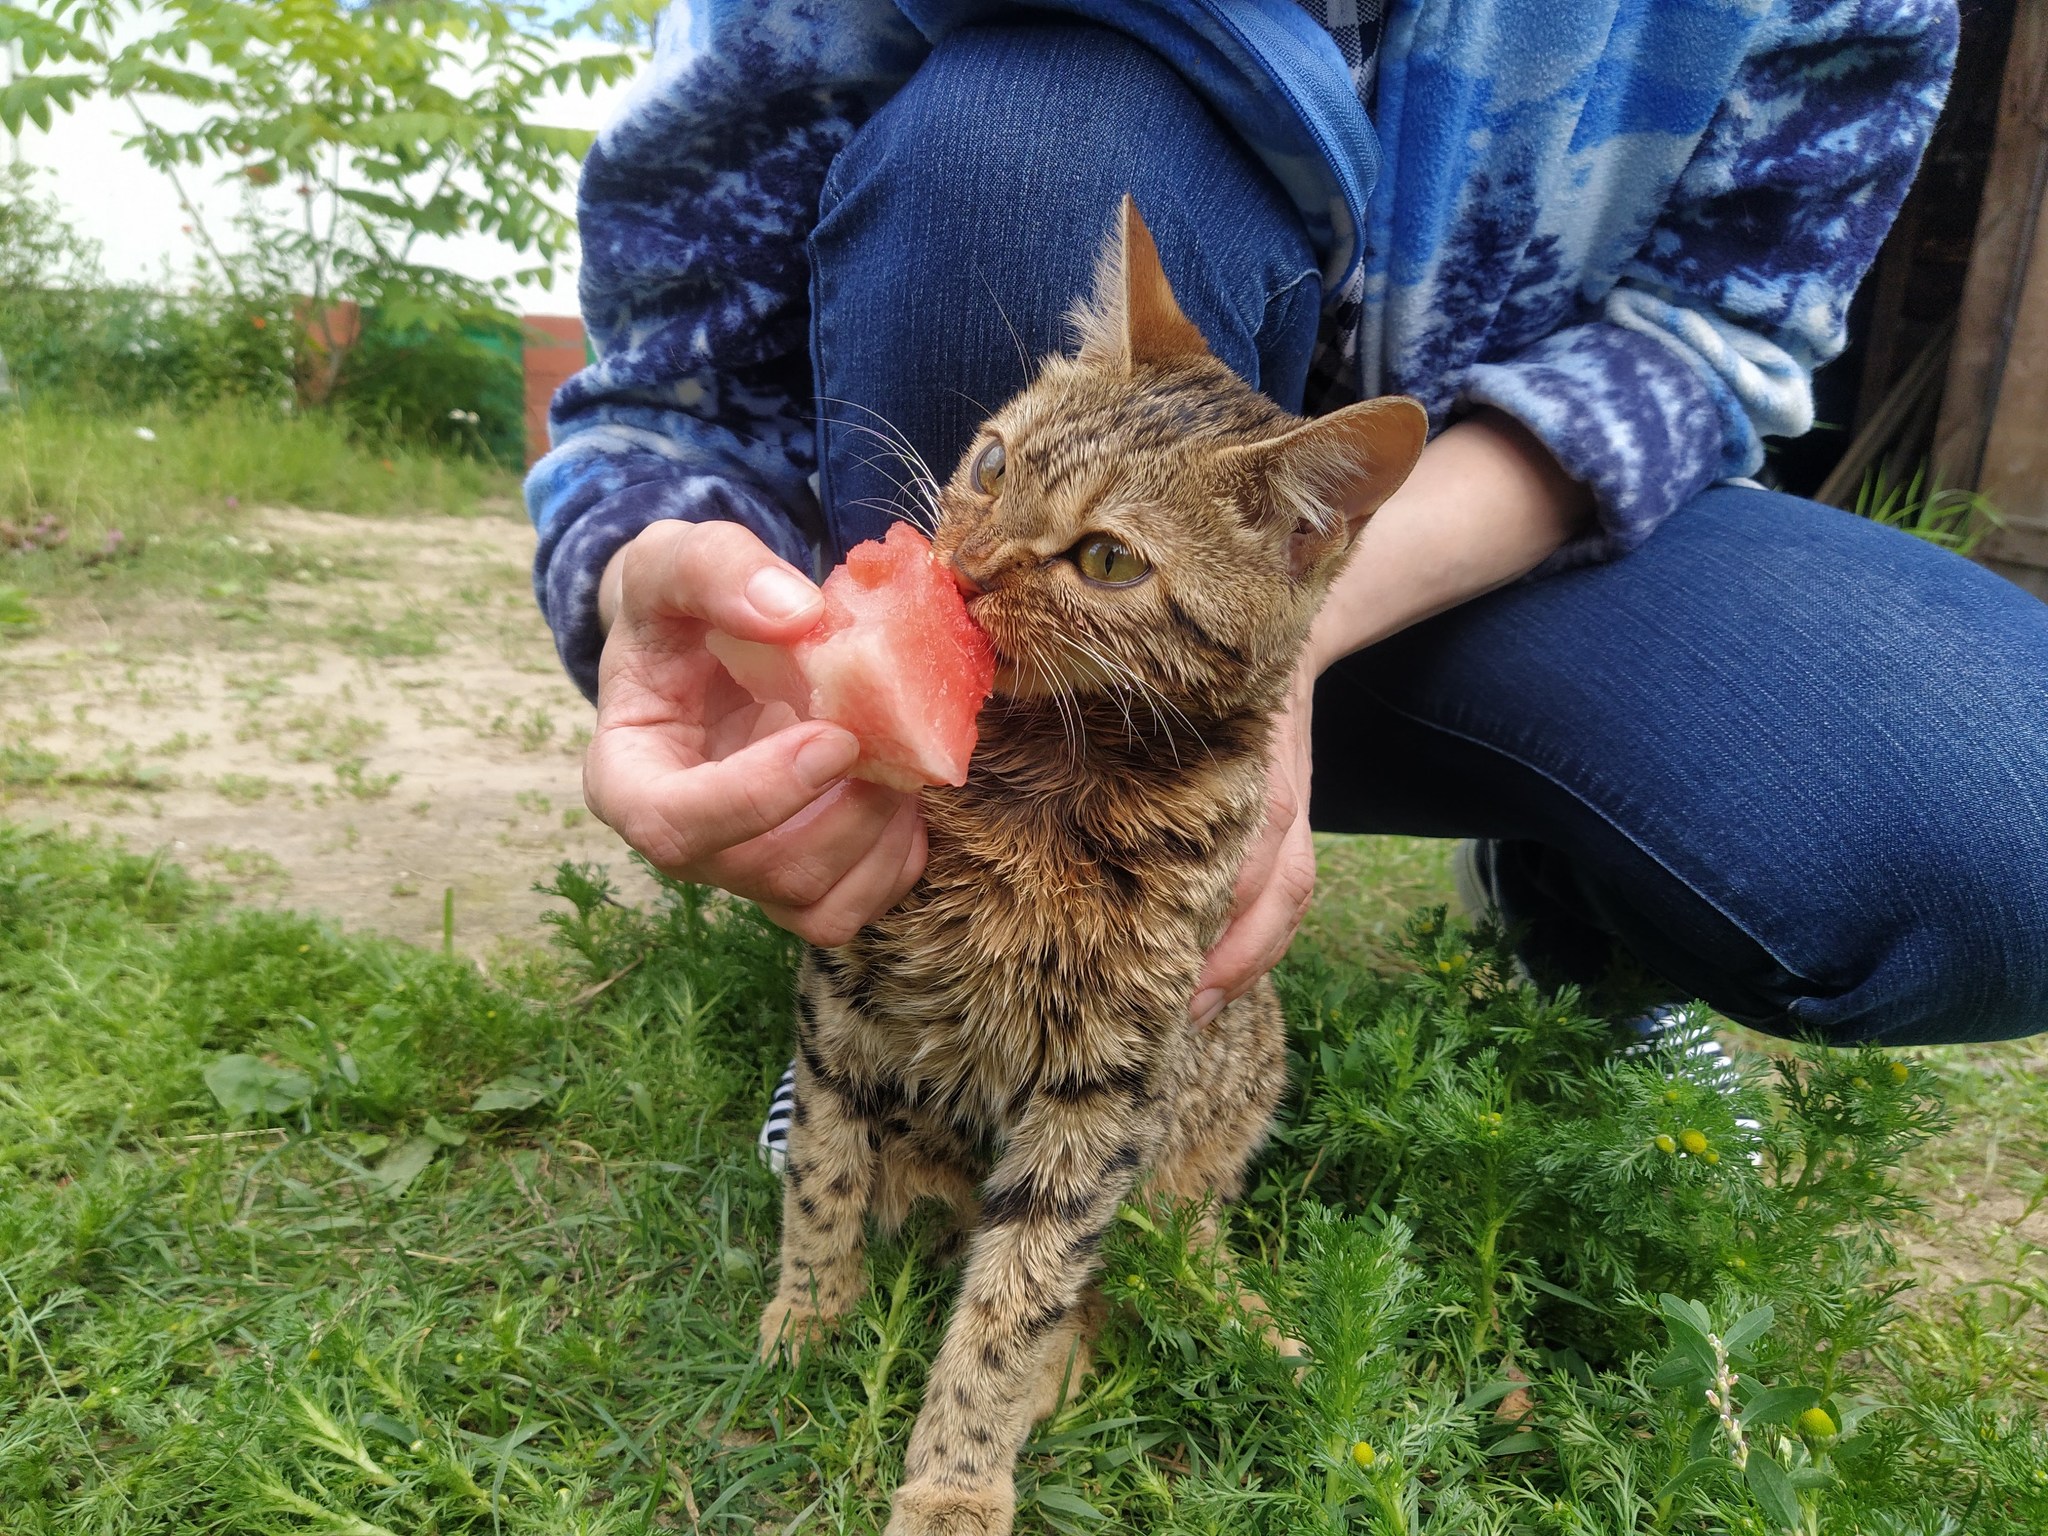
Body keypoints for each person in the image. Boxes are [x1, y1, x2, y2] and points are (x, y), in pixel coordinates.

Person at [526, 0, 2048, 1119]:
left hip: (1482, 549)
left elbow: (1719, 333)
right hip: (1069, 618)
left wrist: (1294, 628)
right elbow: (673, 379)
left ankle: (1577, 932)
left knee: (2004, 818)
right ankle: (906, 986)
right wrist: (643, 577)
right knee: (1030, 133)